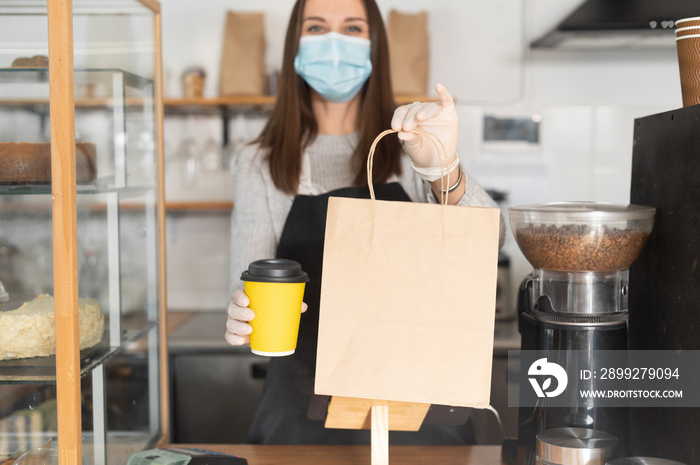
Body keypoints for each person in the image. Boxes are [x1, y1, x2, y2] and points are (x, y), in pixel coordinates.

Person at [225, 0, 504, 445]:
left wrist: (442, 166)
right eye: (316, 27)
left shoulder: (410, 145)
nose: (334, 41)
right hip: (302, 409)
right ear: (294, 46)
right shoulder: (259, 162)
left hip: (417, 407)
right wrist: (243, 311)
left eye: (352, 28)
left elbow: (492, 239)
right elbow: (248, 284)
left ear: (375, 46)